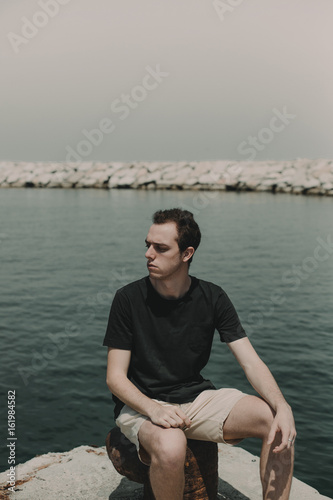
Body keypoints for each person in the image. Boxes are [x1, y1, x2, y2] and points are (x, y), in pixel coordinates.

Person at [103, 208, 296, 500]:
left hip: (197, 399)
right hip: (143, 404)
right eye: (148, 245)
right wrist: (154, 409)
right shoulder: (127, 299)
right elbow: (115, 378)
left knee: (276, 423)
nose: (148, 254)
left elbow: (250, 362)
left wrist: (282, 406)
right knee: (171, 447)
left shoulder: (213, 297)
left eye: (161, 248)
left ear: (186, 253)